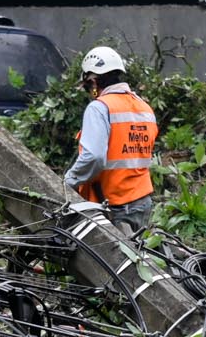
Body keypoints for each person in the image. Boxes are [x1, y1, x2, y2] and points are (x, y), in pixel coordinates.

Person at [64, 46, 156, 233]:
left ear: (94, 81)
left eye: (89, 87)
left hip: (114, 206)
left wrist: (68, 182)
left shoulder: (99, 108)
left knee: (110, 262)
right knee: (138, 258)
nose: (90, 92)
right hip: (142, 201)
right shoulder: (145, 108)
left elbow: (94, 157)